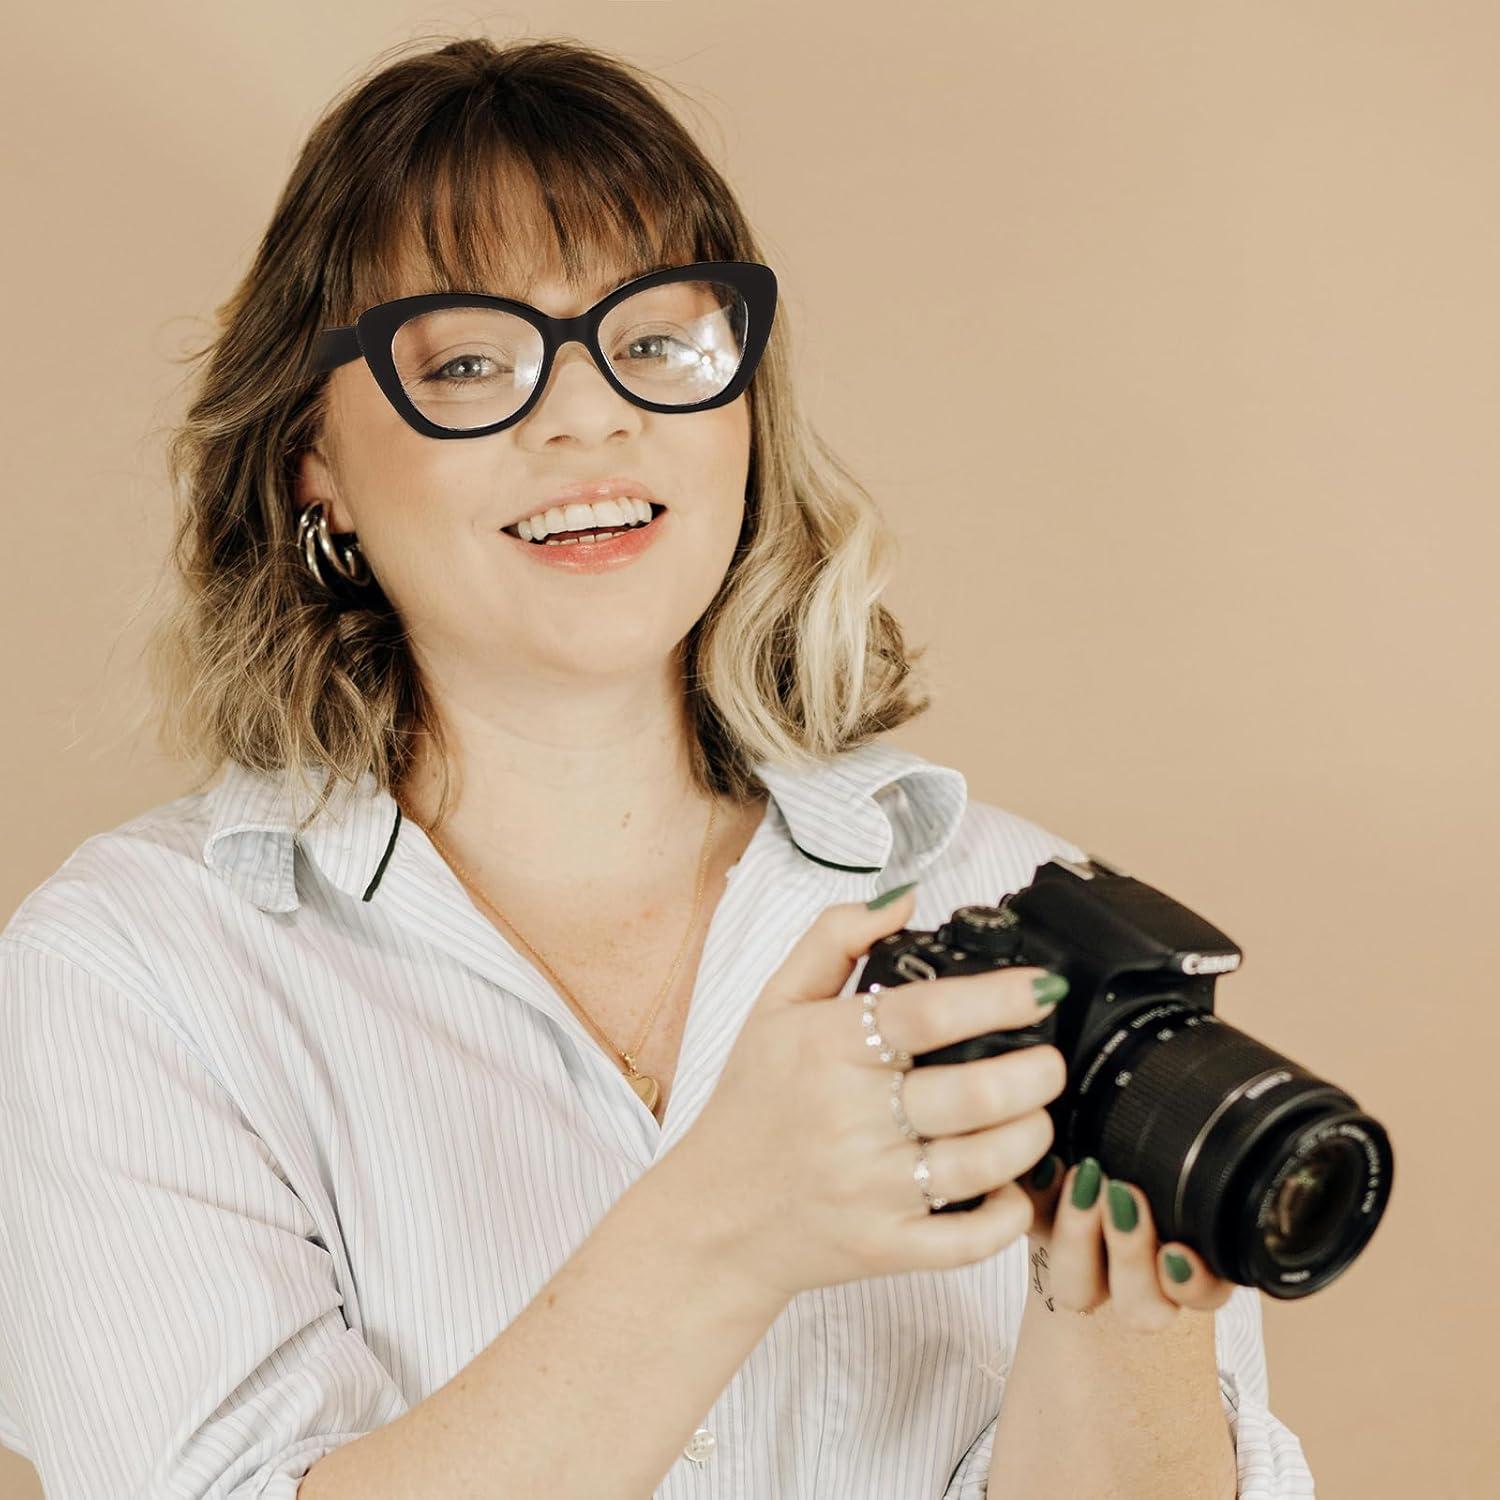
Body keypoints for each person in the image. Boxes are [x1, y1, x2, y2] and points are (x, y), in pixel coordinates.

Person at [0, 34, 1315, 1500]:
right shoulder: (137, 975)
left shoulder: (1012, 910)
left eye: (657, 340)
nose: (590, 415)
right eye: (471, 360)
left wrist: (1120, 1310)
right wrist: (726, 1227)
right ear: (314, 461)